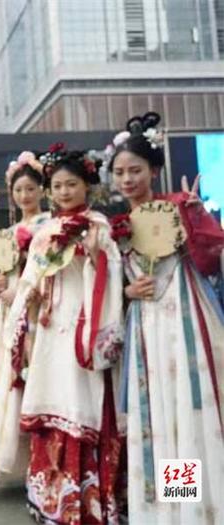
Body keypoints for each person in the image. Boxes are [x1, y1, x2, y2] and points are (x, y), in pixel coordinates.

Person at [109, 113, 224, 524]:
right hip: (146, 329)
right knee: (158, 410)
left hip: (185, 321)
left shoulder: (178, 207)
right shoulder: (114, 227)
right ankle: (170, 508)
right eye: (120, 172)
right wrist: (126, 292)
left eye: (135, 170)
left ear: (153, 171)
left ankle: (197, 509)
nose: (127, 179)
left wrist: (195, 216)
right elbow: (105, 286)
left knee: (185, 408)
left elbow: (211, 260)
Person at [4, 146, 124, 524]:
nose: (65, 192)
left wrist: (92, 259)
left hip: (85, 326)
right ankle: (52, 499)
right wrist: (33, 299)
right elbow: (27, 285)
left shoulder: (100, 227)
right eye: (57, 185)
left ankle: (93, 501)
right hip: (52, 330)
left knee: (83, 400)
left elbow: (113, 278)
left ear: (87, 184)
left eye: (72, 184)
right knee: (52, 403)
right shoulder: (45, 233)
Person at [0, 152, 50, 486]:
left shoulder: (50, 226)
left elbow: (50, 273)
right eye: (18, 190)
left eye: (30, 189)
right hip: (11, 311)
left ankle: (42, 460)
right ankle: (19, 462)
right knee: (12, 376)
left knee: (35, 373)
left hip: (37, 309)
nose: (24, 196)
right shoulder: (7, 234)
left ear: (42, 190)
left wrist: (19, 289)